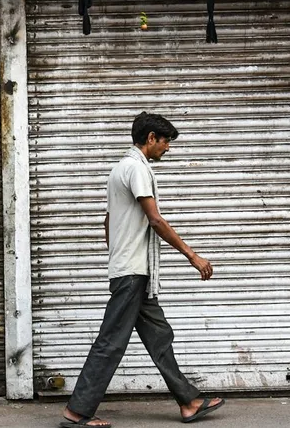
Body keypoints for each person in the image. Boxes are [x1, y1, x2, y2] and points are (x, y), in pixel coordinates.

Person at [60, 112, 225, 428]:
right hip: (132, 272)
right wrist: (192, 256)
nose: (167, 148)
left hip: (132, 269)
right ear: (151, 138)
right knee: (111, 341)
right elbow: (156, 220)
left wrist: (118, 254)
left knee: (159, 336)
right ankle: (77, 411)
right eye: (165, 142)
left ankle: (189, 402)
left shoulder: (119, 168)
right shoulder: (136, 168)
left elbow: (108, 220)